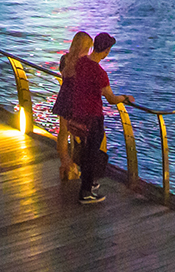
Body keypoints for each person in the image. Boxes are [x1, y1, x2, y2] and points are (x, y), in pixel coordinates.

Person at [69, 31, 133, 205]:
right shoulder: (100, 73)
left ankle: (88, 184)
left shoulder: (81, 63)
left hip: (79, 113)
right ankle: (86, 191)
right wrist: (125, 98)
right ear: (106, 50)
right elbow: (111, 99)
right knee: (91, 153)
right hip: (94, 117)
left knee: (85, 151)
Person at [53, 31, 92, 181]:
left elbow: (64, 75)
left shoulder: (65, 58)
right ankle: (76, 165)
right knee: (79, 133)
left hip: (64, 98)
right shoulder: (85, 63)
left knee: (63, 132)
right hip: (77, 101)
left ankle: (65, 163)